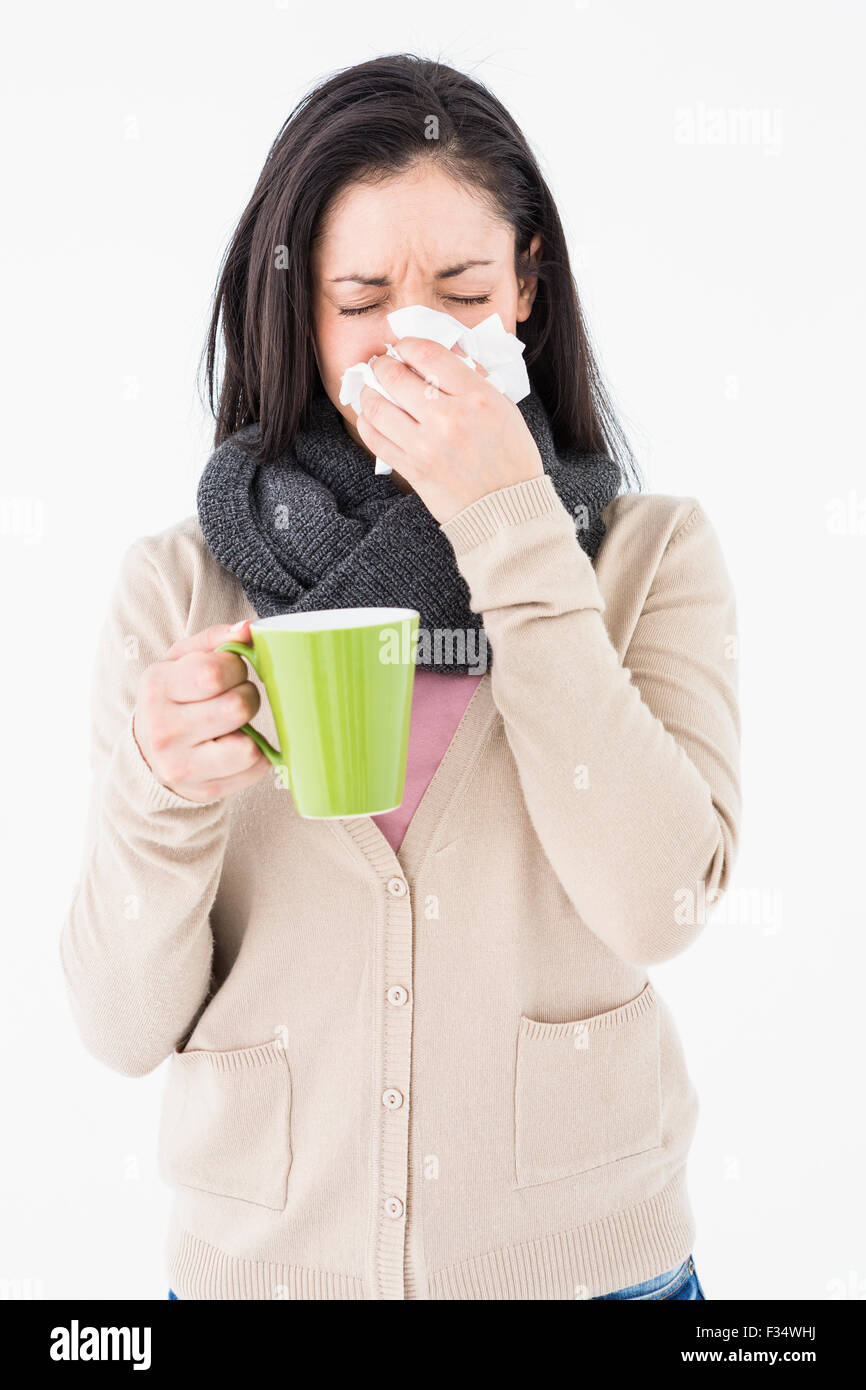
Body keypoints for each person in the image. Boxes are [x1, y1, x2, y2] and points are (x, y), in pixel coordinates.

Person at [61, 53, 740, 1301]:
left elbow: (662, 910)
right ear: (298, 313)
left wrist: (512, 529)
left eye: (463, 289)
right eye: (363, 296)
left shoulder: (648, 557)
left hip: (590, 1279)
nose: (413, 333)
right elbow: (116, 1028)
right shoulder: (180, 587)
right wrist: (160, 789)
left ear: (526, 286)